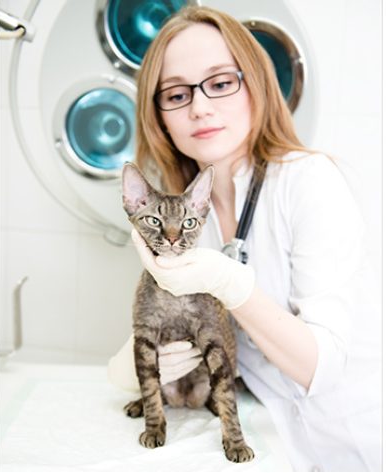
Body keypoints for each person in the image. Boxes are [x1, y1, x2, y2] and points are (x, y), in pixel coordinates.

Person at [108, 6, 381, 472]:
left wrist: (234, 287)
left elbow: (323, 367)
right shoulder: (185, 213)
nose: (199, 107)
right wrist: (128, 368)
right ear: (160, 119)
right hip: (274, 435)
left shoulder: (309, 182)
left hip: (360, 437)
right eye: (176, 94)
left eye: (220, 83)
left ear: (254, 83)